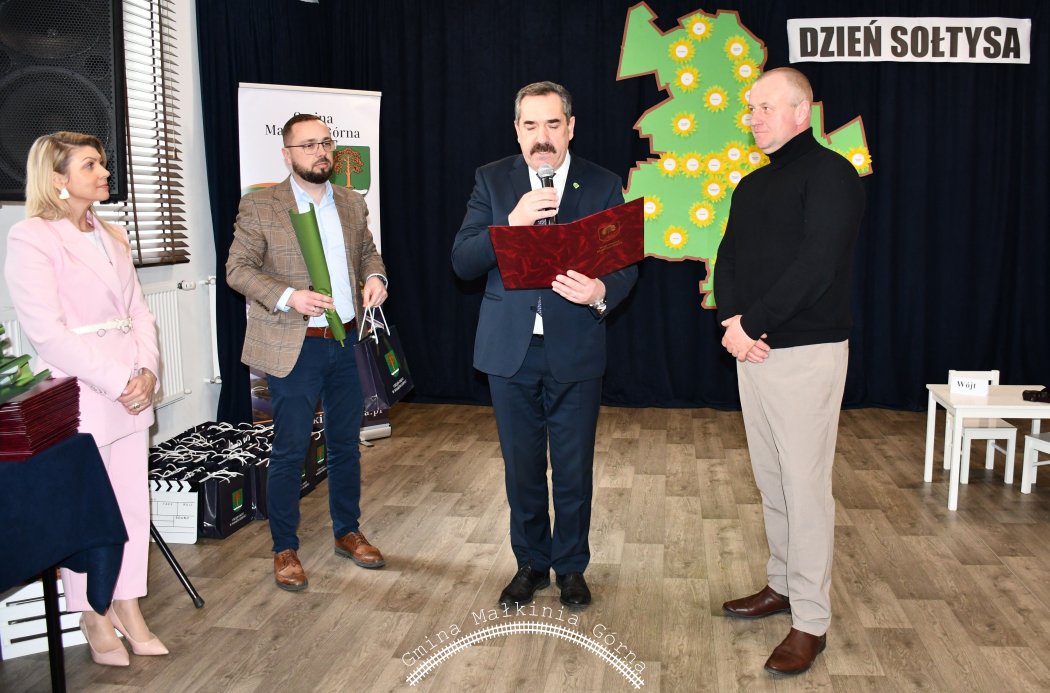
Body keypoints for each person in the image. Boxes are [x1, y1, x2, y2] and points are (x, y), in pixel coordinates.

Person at [452, 81, 637, 609]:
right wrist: (509, 225)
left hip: (574, 348)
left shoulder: (602, 183)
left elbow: (624, 265)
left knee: (574, 469)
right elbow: (462, 261)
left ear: (570, 127)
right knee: (523, 467)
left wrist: (601, 292)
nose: (542, 137)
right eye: (530, 125)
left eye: (553, 124)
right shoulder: (492, 180)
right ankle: (531, 563)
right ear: (517, 130)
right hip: (509, 352)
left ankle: (571, 567)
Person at [714, 67, 865, 677]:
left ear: (802, 112)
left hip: (805, 355)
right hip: (753, 351)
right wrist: (733, 322)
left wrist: (753, 324)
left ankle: (811, 621)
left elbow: (817, 265)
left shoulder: (832, 174)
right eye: (750, 108)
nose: (752, 118)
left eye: (764, 107)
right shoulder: (753, 183)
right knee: (771, 480)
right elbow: (727, 257)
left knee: (805, 490)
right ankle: (781, 585)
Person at [5, 132, 167, 666]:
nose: (104, 173)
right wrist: (120, 379)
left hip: (131, 387)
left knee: (132, 503)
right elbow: (47, 334)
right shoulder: (31, 237)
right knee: (89, 510)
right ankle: (93, 613)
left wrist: (147, 371)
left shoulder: (111, 233)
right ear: (57, 178)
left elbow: (139, 311)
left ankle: (127, 603)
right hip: (82, 391)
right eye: (91, 165)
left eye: (102, 163)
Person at [227, 113, 389, 591]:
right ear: (287, 154)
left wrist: (375, 276)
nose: (321, 152)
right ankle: (284, 548)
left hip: (346, 341)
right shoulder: (261, 206)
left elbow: (368, 253)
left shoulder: (350, 202)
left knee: (345, 445)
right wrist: (288, 296)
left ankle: (347, 531)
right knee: (290, 449)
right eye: (309, 145)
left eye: (326, 143)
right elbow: (238, 269)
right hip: (294, 346)